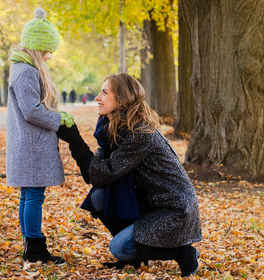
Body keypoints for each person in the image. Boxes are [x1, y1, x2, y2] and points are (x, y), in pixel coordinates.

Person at [57, 73, 202, 277]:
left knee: (119, 248)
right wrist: (76, 143)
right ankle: (136, 257)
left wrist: (75, 141)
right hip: (149, 202)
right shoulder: (115, 127)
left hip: (173, 210)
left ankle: (184, 251)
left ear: (122, 98)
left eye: (104, 92)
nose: (98, 97)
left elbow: (101, 173)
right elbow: (98, 176)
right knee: (99, 196)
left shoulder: (138, 133)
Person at [6, 8, 72, 265]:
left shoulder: (24, 70)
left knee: (29, 195)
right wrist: (58, 120)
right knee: (33, 195)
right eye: (48, 50)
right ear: (36, 48)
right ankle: (34, 248)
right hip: (31, 146)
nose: (50, 56)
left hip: (28, 144)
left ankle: (29, 243)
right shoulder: (26, 72)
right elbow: (32, 110)